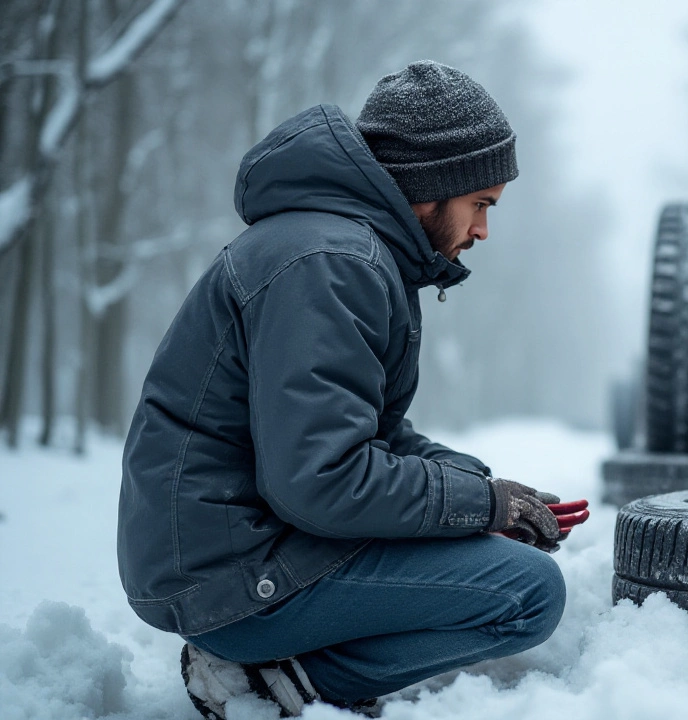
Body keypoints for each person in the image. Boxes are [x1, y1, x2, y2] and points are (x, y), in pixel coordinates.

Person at [117, 61, 587, 718]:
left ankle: (268, 662)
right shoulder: (332, 264)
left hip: (241, 548)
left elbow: (372, 437)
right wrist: (478, 506)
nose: (483, 231)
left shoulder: (343, 250)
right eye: (481, 204)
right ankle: (263, 679)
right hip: (233, 577)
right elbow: (323, 480)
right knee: (528, 594)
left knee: (491, 552)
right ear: (429, 189)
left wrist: (481, 490)